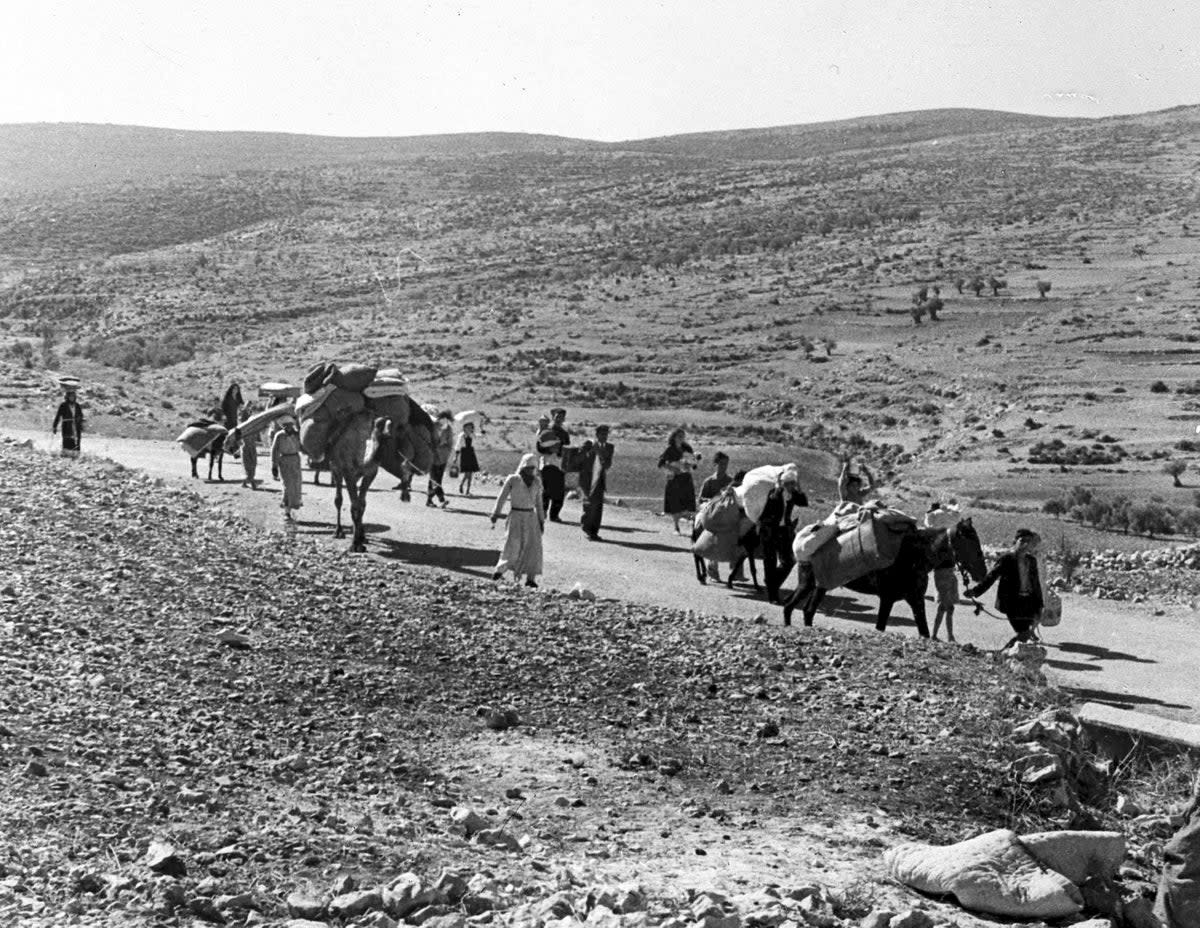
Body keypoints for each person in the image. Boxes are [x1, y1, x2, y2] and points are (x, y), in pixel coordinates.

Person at [965, 528, 1044, 649]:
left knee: (1024, 635)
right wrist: (975, 591)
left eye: (1028, 541)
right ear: (1015, 541)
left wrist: (1039, 606)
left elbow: (1036, 584)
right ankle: (1002, 654)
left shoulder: (1031, 561)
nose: (1025, 544)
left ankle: (1009, 654)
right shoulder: (1007, 559)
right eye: (1022, 541)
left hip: (1028, 603)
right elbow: (991, 577)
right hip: (1013, 603)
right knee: (1024, 634)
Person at [490, 453, 545, 588]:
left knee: (533, 548)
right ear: (523, 466)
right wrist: (496, 513)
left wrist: (541, 520)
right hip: (515, 516)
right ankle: (499, 571)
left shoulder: (537, 482)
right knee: (512, 545)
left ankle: (530, 578)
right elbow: (502, 497)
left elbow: (539, 503)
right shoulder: (513, 480)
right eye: (528, 467)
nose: (531, 470)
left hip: (531, 519)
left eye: (533, 468)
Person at [757, 465, 809, 603]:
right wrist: (778, 487)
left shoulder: (793, 495)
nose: (792, 486)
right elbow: (772, 502)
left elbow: (804, 502)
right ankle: (772, 596)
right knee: (770, 561)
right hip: (769, 531)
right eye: (790, 483)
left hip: (783, 531)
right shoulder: (775, 493)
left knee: (789, 561)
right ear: (785, 484)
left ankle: (771, 583)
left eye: (793, 483)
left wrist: (799, 487)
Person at [924, 501, 962, 641]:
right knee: (945, 607)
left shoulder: (942, 537)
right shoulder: (939, 540)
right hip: (943, 574)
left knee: (948, 608)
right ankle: (938, 635)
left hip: (948, 573)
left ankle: (946, 635)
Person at [698, 452, 734, 580]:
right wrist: (713, 502)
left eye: (726, 464)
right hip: (710, 514)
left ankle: (736, 571)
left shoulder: (730, 481)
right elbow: (701, 499)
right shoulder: (709, 482)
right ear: (715, 464)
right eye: (722, 464)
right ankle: (712, 570)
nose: (724, 466)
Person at [658, 427, 698, 534]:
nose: (681, 438)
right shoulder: (670, 449)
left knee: (689, 502)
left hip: (686, 478)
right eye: (679, 436)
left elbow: (694, 465)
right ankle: (676, 527)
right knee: (675, 503)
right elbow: (661, 464)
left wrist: (692, 462)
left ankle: (693, 527)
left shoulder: (687, 448)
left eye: (683, 436)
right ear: (674, 437)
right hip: (674, 479)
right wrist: (673, 469)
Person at [579, 425, 614, 541]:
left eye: (606, 434)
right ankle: (586, 528)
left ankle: (594, 531)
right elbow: (580, 457)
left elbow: (608, 465)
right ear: (597, 434)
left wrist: (600, 453)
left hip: (599, 479)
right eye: (602, 434)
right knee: (588, 504)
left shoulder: (609, 447)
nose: (604, 437)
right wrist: (590, 451)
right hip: (587, 479)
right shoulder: (588, 444)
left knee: (598, 506)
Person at [538, 408, 571, 522]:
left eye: (562, 417)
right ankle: (542, 512)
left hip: (559, 464)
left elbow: (567, 447)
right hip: (547, 463)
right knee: (546, 490)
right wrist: (551, 449)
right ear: (553, 417)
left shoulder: (564, 432)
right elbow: (540, 447)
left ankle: (554, 515)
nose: (559, 419)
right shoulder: (546, 431)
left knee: (559, 491)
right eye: (557, 417)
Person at [270, 416, 304, 520]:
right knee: (287, 485)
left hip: (295, 460)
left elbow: (303, 446)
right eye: (286, 426)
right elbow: (274, 450)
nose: (288, 427)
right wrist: (274, 466)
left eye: (290, 425)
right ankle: (287, 511)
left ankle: (293, 506)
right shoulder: (279, 435)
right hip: (284, 460)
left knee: (296, 484)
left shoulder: (297, 435)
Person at [425, 410, 454, 508]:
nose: (444, 421)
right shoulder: (432, 427)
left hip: (442, 458)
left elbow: (450, 445)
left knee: (436, 480)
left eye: (446, 419)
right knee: (434, 479)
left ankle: (429, 500)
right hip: (431, 457)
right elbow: (427, 439)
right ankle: (442, 499)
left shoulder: (449, 430)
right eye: (442, 419)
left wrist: (443, 449)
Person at [52, 390, 84, 456]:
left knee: (77, 439)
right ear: (67, 397)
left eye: (73, 396)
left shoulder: (77, 405)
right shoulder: (63, 405)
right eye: (70, 396)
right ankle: (66, 454)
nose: (72, 398)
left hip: (76, 425)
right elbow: (58, 415)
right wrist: (55, 426)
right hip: (67, 425)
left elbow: (81, 415)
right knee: (67, 439)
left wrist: (79, 421)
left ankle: (76, 454)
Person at [454, 421, 480, 497]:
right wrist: (456, 457)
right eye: (467, 427)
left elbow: (480, 436)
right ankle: (462, 485)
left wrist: (481, 429)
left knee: (470, 473)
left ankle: (467, 490)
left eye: (471, 427)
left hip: (471, 453)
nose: (469, 429)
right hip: (464, 454)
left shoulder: (472, 435)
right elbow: (458, 446)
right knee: (467, 473)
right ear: (464, 428)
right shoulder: (461, 436)